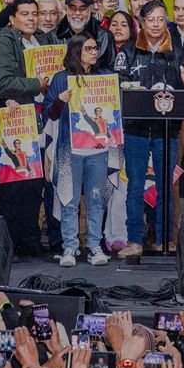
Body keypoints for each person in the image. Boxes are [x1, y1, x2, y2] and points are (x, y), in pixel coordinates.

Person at [115, 0, 184, 257]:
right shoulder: (127, 52)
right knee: (135, 186)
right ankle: (134, 240)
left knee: (165, 187)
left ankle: (165, 240)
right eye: (151, 20)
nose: (156, 24)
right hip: (136, 130)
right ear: (141, 22)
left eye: (161, 19)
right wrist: (134, 89)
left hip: (167, 132)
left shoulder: (177, 52)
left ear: (167, 21)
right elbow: (119, 86)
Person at [0, 0, 53, 257]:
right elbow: (1, 83)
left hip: (39, 120)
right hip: (15, 120)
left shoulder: (44, 40)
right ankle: (10, 243)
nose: (31, 18)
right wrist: (36, 84)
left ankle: (30, 239)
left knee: (33, 184)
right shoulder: (4, 41)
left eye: (34, 13)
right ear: (12, 18)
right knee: (13, 187)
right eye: (24, 14)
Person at [45, 36, 114, 266]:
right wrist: (59, 101)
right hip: (70, 148)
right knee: (69, 200)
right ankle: (70, 247)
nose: (94, 52)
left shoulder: (104, 78)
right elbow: (48, 114)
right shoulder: (61, 78)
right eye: (89, 48)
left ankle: (95, 245)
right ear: (76, 51)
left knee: (96, 199)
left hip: (98, 149)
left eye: (95, 48)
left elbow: (114, 111)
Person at [54, 0, 116, 71]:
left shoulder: (105, 36)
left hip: (97, 83)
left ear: (90, 10)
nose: (77, 13)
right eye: (72, 8)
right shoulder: (54, 36)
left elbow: (112, 72)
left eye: (82, 8)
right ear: (67, 9)